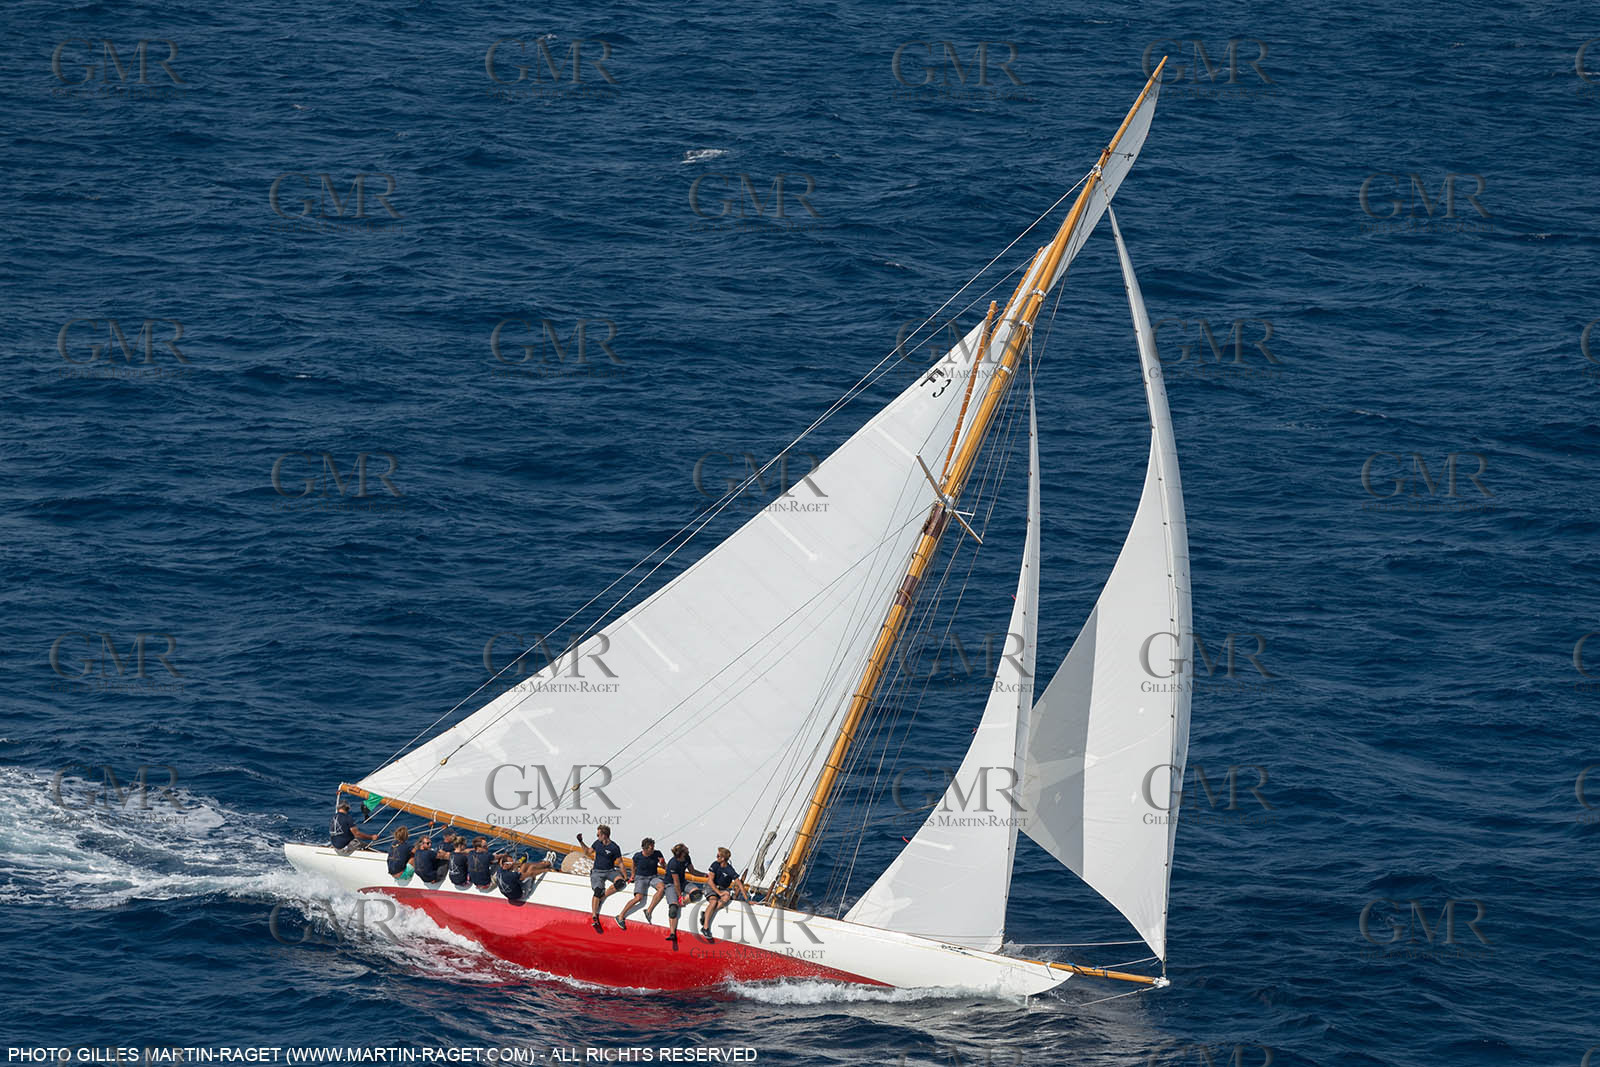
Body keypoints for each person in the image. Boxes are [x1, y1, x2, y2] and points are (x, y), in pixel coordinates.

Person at [575, 825, 627, 933]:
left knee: (621, 883)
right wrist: (581, 841)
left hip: (610, 871)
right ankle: (594, 916)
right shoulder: (597, 843)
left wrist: (625, 877)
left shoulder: (614, 847)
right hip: (597, 872)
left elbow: (620, 863)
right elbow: (588, 852)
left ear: (604, 835)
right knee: (598, 890)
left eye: (598, 834)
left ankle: (604, 897)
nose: (597, 836)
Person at [616, 837, 667, 930]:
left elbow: (665, 867)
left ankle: (648, 911)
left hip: (653, 877)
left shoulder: (657, 853)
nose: (653, 850)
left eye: (653, 847)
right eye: (651, 848)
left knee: (662, 888)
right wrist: (632, 875)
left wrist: (663, 863)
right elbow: (633, 865)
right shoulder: (637, 856)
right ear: (645, 849)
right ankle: (620, 916)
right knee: (638, 898)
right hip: (641, 878)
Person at [700, 847, 747, 941]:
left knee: (726, 898)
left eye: (718, 856)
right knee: (713, 903)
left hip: (722, 889)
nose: (716, 857)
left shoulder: (729, 869)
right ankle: (705, 928)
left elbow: (739, 883)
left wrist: (747, 899)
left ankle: (706, 914)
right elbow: (710, 881)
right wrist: (719, 893)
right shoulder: (715, 864)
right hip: (711, 886)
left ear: (723, 858)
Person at [662, 842, 704, 943]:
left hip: (683, 882)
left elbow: (692, 871)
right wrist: (679, 896)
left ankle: (683, 902)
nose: (688, 848)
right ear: (682, 853)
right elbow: (676, 883)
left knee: (697, 893)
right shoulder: (673, 863)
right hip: (671, 884)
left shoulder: (686, 858)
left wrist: (704, 875)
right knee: (673, 908)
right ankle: (672, 933)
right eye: (686, 848)